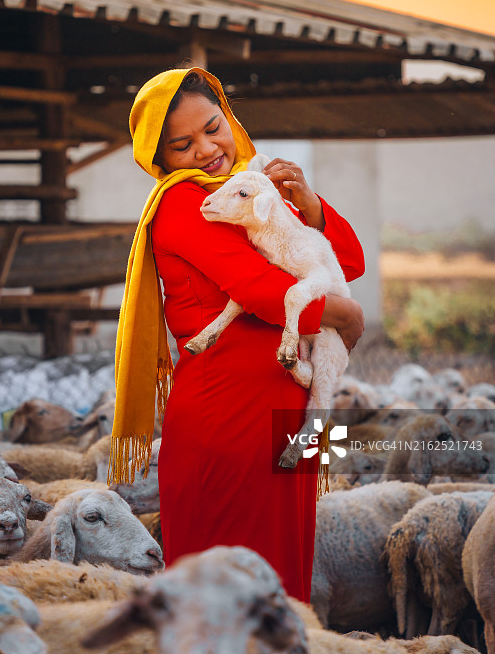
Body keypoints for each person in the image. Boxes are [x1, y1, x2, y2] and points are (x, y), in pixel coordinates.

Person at [110, 66, 365, 602]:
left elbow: (347, 261)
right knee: (227, 595)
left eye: (213, 127)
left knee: (280, 589)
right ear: (160, 160)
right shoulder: (184, 203)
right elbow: (261, 289)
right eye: (182, 144)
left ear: (230, 117)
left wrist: (311, 205)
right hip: (229, 418)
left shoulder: (252, 193)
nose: (206, 149)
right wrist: (345, 318)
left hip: (284, 411)